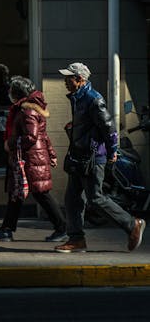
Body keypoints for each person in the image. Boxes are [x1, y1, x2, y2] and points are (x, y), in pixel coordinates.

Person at [55, 62, 146, 253]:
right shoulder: (78, 98)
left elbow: (109, 128)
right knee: (72, 199)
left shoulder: (93, 99)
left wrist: (112, 151)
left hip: (93, 158)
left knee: (95, 198)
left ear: (79, 80)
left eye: (68, 78)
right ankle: (77, 239)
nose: (65, 81)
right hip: (79, 156)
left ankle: (132, 225)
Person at [0, 75, 67, 243]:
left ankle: (62, 229)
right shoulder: (31, 108)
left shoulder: (27, 110)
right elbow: (43, 136)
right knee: (19, 194)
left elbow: (31, 136)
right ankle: (6, 230)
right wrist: (51, 154)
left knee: (40, 194)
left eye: (11, 90)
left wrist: (10, 143)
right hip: (32, 157)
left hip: (30, 159)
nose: (8, 93)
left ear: (17, 93)